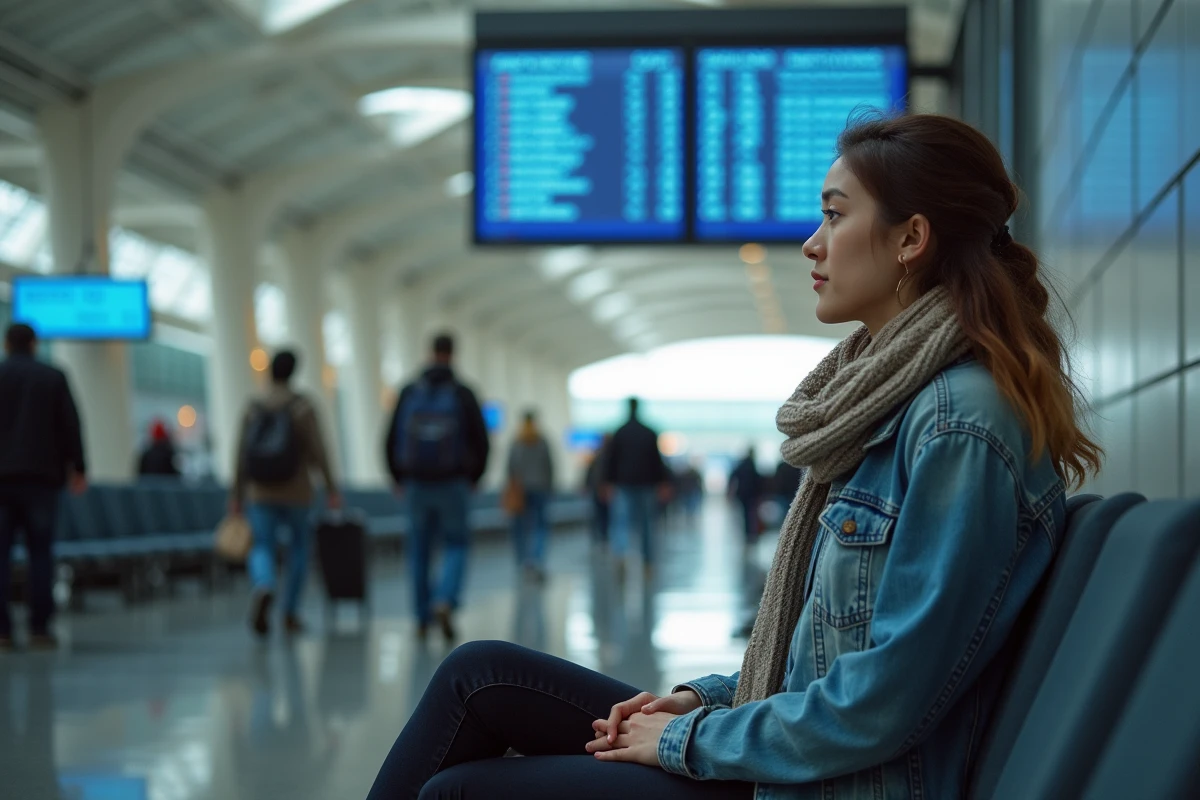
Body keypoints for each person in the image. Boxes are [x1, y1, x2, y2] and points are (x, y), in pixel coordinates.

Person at [364, 113, 1102, 799]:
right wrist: (700, 699)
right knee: (479, 674)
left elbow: (883, 701)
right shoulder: (891, 402)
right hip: (806, 753)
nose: (813, 243)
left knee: (458, 792)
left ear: (911, 239)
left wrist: (688, 738)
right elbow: (816, 660)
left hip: (843, 782)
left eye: (835, 215)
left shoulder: (957, 424)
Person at [384, 333, 489, 640]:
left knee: (418, 550)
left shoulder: (409, 391)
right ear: (453, 353)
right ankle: (444, 599)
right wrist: (474, 477)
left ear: (430, 352)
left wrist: (397, 477)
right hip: (453, 483)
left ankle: (420, 616)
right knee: (456, 544)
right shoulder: (463, 393)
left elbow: (390, 438)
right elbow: (481, 440)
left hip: (416, 483)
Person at [231, 350, 340, 638]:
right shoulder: (302, 406)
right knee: (299, 549)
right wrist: (331, 487)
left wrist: (236, 493)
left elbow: (241, 453)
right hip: (297, 491)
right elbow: (319, 449)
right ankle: (290, 612)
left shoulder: (253, 406)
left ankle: (264, 583)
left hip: (260, 492)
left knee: (261, 545)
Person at [0, 324, 86, 651]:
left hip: (1, 480)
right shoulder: (52, 377)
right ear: (35, 344)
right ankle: (40, 628)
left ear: (6, 344)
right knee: (40, 554)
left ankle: (3, 630)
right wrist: (78, 467)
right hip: (41, 479)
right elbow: (70, 425)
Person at [602, 397, 671, 576]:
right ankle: (647, 562)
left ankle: (621, 555)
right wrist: (662, 482)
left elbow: (611, 461)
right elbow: (657, 462)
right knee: (647, 525)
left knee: (622, 523)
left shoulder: (620, 432)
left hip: (623, 485)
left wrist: (607, 482)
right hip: (647, 485)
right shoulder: (649, 432)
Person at [507, 410, 555, 582]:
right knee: (540, 527)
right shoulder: (541, 441)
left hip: (521, 491)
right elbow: (549, 466)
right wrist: (550, 487)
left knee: (520, 529)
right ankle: (537, 560)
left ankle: (523, 562)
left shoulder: (517, 442)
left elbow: (511, 468)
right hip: (540, 489)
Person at [727, 447, 764, 544]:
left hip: (742, 493)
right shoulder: (751, 464)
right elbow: (757, 480)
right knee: (750, 513)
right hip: (750, 493)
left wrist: (730, 491)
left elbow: (733, 476)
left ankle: (748, 532)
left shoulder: (742, 464)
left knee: (746, 513)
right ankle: (750, 533)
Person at [583, 433, 612, 544]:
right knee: (602, 514)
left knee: (601, 514)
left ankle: (602, 536)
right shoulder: (604, 456)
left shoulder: (599, 455)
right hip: (602, 490)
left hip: (602, 489)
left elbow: (590, 472)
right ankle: (602, 536)